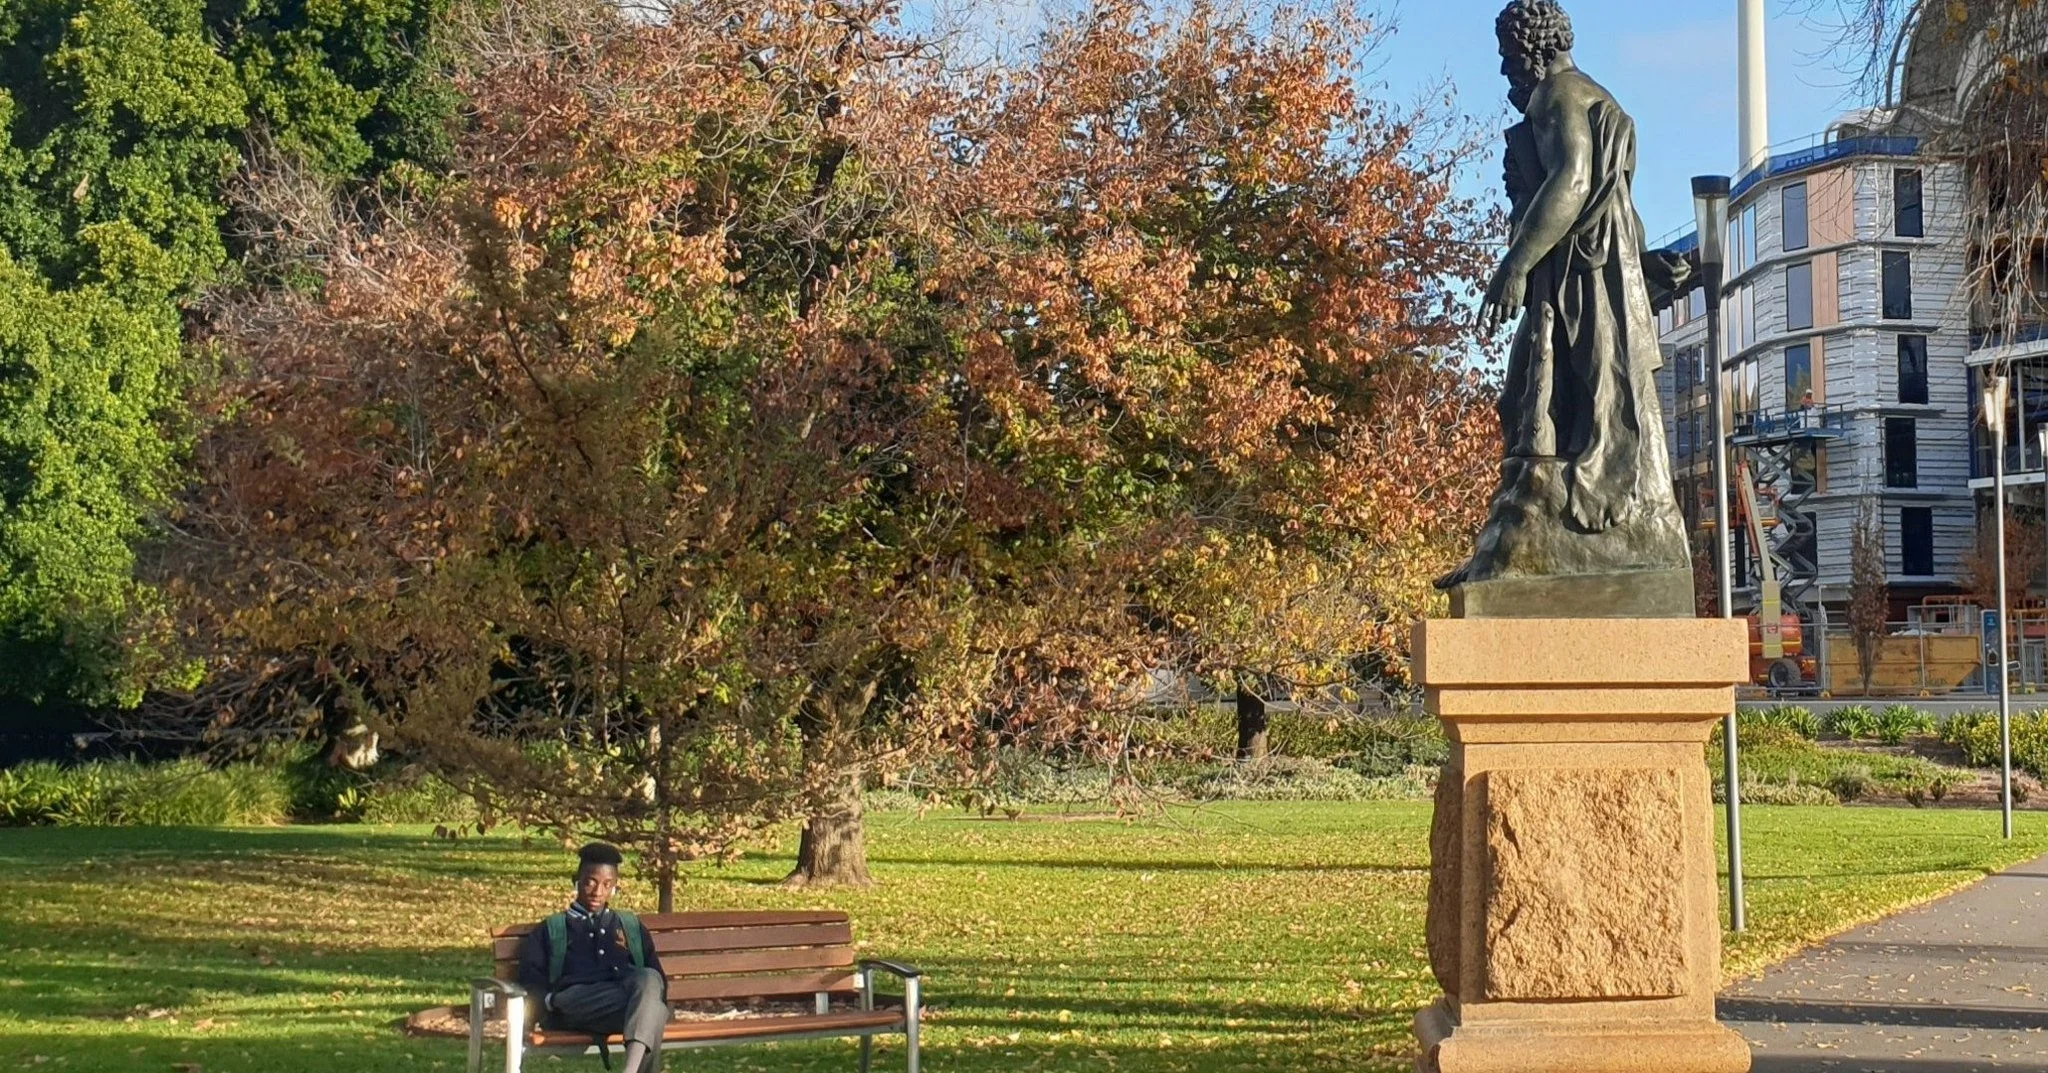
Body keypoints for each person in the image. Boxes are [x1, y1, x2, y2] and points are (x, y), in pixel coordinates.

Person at [1436, 0, 1693, 596]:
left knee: (1547, 394)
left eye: (1508, 58)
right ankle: (1510, 542)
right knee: (1544, 394)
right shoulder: (1598, 98)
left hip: (1579, 278)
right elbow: (1618, 207)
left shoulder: (1556, 97)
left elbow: (1575, 182)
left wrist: (1515, 266)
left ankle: (1536, 543)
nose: (1506, 72)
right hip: (1604, 269)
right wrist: (1646, 265)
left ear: (1532, 49)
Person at [517, 842, 668, 1072]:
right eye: (591, 882)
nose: (598, 892)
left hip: (624, 1010)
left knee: (649, 981)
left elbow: (659, 983)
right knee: (653, 1010)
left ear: (615, 887)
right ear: (576, 881)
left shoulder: (630, 926)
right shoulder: (553, 929)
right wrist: (550, 1002)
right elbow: (530, 981)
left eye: (607, 885)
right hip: (574, 1007)